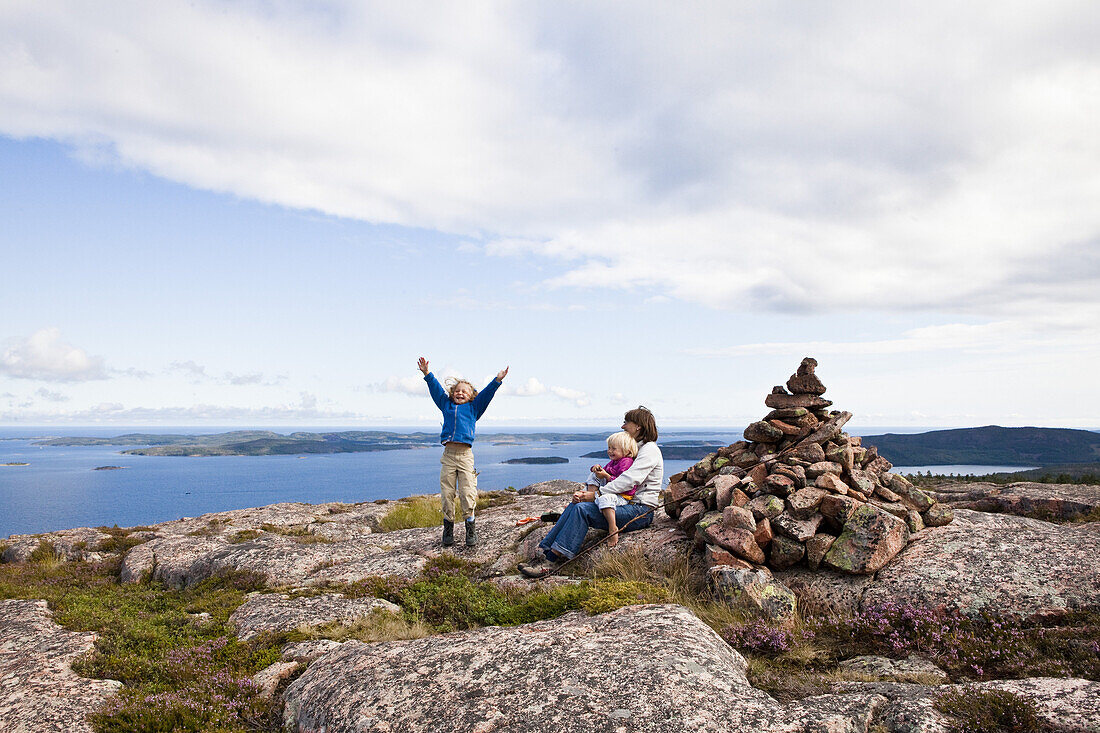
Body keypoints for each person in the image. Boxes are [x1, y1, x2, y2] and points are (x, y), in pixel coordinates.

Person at [519, 407, 663, 577]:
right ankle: (545, 552)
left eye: (626, 423)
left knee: (582, 510)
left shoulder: (649, 451)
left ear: (638, 426)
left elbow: (629, 480)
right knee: (576, 505)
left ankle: (550, 563)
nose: (623, 427)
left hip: (641, 511)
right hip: (626, 504)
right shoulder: (637, 448)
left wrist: (596, 495)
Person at [418, 356, 509, 547]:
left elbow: (487, 394)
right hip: (449, 456)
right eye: (457, 391)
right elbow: (435, 390)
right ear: (452, 394)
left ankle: (470, 528)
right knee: (447, 493)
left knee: (468, 493)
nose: (460, 393)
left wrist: (497, 380)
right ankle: (448, 528)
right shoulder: (446, 405)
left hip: (466, 456)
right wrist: (427, 373)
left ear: (470, 396)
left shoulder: (475, 408)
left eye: (464, 392)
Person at [587, 431, 639, 548]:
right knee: (594, 475)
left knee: (605, 499)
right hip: (612, 487)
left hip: (622, 496)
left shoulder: (626, 462)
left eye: (613, 448)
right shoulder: (614, 461)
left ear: (627, 451)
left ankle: (613, 528)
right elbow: (602, 471)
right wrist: (595, 468)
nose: (610, 451)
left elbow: (622, 482)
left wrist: (606, 476)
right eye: (609, 448)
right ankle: (589, 496)